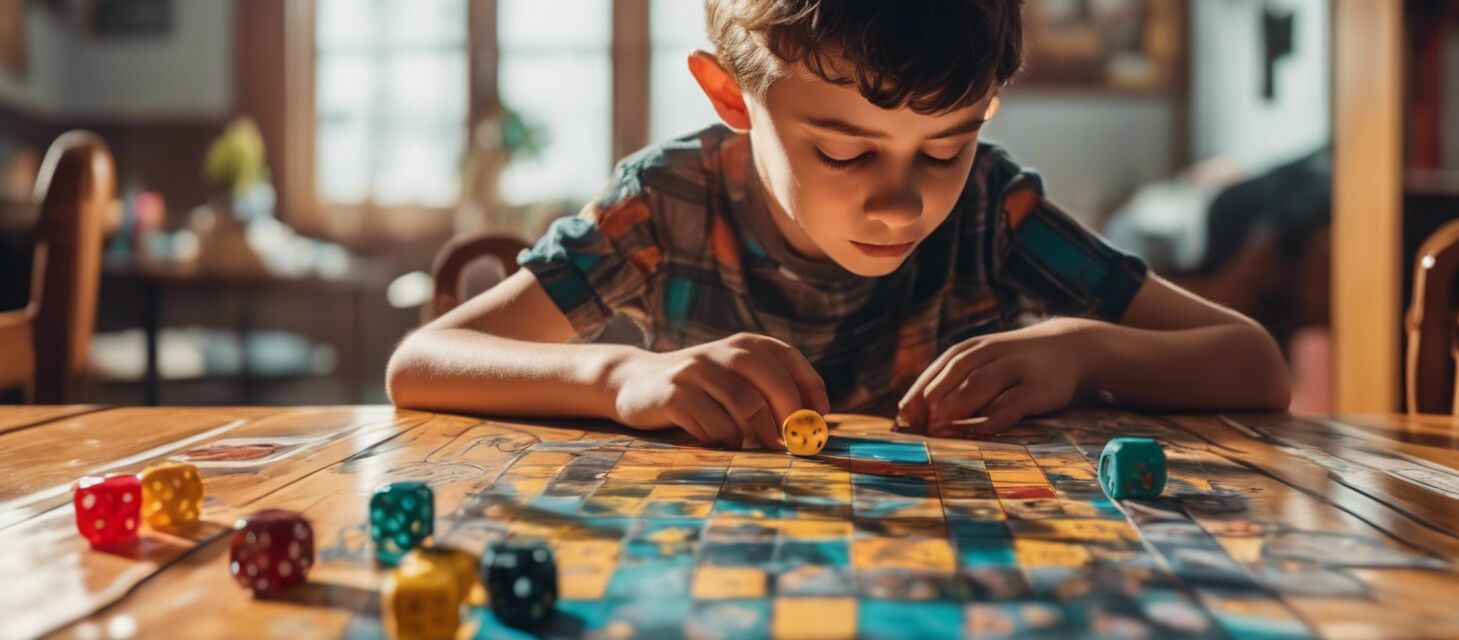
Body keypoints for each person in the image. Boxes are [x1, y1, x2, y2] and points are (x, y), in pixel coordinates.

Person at [387, 0, 1290, 450]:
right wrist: (623, 375)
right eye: (847, 153)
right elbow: (421, 365)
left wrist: (1085, 351)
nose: (902, 204)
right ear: (731, 97)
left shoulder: (992, 211)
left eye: (944, 149)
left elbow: (1253, 363)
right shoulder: (666, 204)